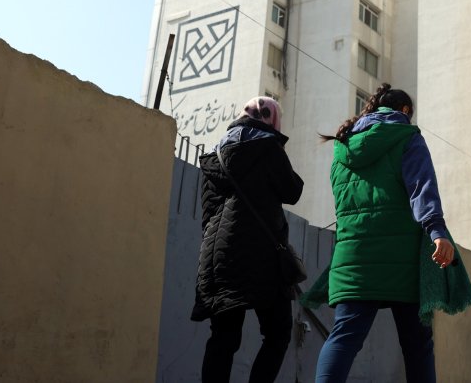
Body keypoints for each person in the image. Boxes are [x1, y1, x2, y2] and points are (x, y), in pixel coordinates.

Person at [313, 84, 455, 383]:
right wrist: (437, 231)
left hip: (353, 258)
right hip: (402, 258)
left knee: (344, 337)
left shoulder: (342, 148)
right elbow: (422, 188)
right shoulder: (407, 136)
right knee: (418, 344)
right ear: (404, 110)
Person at [192, 96, 305, 383]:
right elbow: (292, 191)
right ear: (272, 119)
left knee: (223, 337)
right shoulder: (268, 146)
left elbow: (208, 213)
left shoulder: (215, 153)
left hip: (218, 257)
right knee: (278, 332)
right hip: (262, 256)